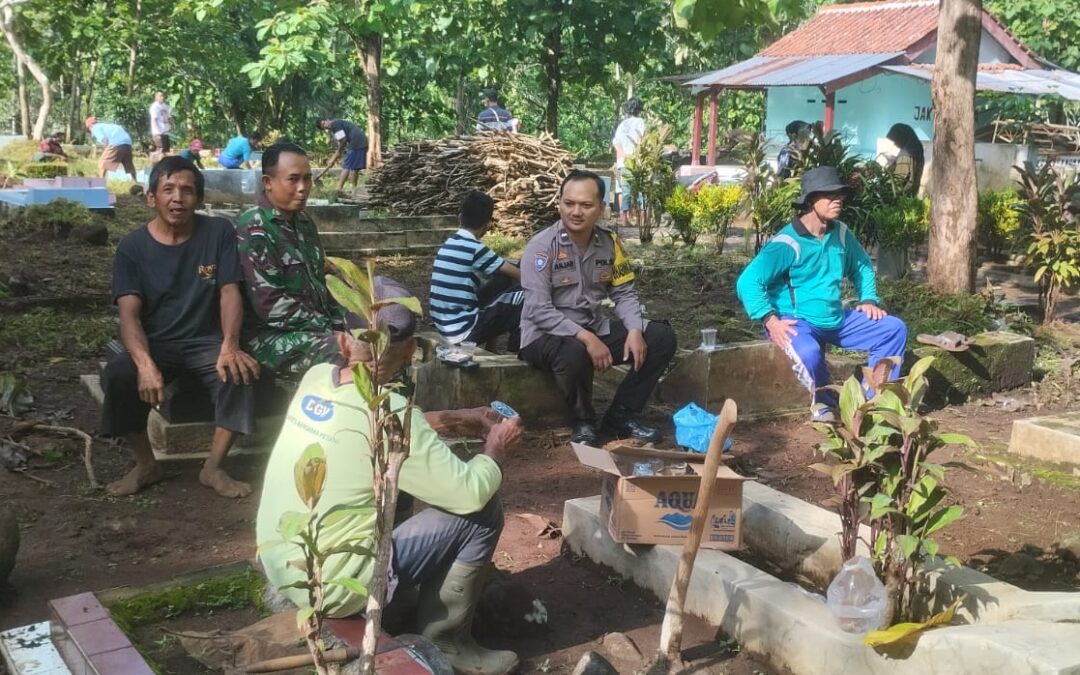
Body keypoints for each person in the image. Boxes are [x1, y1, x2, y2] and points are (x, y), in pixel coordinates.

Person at [256, 278, 521, 675]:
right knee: (483, 510)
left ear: (343, 343)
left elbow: (362, 427)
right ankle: (448, 641)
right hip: (338, 585)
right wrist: (496, 446)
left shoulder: (314, 380)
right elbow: (469, 493)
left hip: (284, 564)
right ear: (412, 350)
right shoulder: (394, 413)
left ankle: (402, 600)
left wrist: (447, 420)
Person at [99, 156, 259, 498]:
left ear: (199, 199)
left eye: (187, 190)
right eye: (168, 189)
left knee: (238, 372)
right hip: (158, 343)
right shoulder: (132, 248)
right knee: (118, 375)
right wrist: (144, 365)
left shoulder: (218, 233)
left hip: (207, 341)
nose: (178, 198)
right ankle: (146, 464)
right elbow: (128, 316)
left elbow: (230, 292)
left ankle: (213, 467)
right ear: (150, 197)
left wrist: (229, 345)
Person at [736, 166, 908, 420]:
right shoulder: (787, 243)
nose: (838, 200)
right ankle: (823, 402)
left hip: (835, 319)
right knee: (810, 353)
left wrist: (869, 299)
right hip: (797, 322)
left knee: (894, 329)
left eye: (840, 195)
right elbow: (747, 282)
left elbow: (861, 266)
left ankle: (872, 400)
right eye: (829, 195)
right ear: (811, 200)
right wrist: (770, 321)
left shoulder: (840, 233)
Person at [519, 170, 677, 445]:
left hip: (592, 326)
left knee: (661, 337)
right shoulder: (542, 247)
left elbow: (624, 292)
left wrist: (635, 330)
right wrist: (586, 337)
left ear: (601, 208)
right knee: (574, 350)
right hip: (543, 336)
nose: (576, 211)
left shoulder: (609, 243)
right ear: (559, 204)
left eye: (586, 205)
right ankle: (583, 421)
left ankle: (622, 415)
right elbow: (537, 310)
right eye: (569, 203)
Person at [236, 142, 347, 375]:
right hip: (270, 336)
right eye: (293, 179)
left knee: (380, 339)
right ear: (268, 182)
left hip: (314, 327)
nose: (303, 187)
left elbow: (322, 282)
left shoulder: (304, 222)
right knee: (341, 352)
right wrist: (330, 330)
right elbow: (270, 304)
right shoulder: (255, 227)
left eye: (307, 179)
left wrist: (344, 322)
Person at [430, 191, 523, 351]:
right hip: (462, 330)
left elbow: (502, 271)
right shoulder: (475, 249)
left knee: (502, 281)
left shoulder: (450, 243)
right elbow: (520, 275)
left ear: (460, 217)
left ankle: (491, 349)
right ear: (487, 225)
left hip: (445, 326)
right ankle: (516, 353)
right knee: (524, 296)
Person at [612, 97, 646, 227]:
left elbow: (615, 143)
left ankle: (624, 219)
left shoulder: (622, 124)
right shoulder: (640, 122)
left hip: (623, 163)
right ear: (639, 109)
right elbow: (643, 140)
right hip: (637, 163)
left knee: (625, 191)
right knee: (640, 191)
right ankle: (641, 220)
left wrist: (623, 155)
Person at [314, 118, 369, 194]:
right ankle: (354, 190)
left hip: (356, 141)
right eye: (324, 127)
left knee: (346, 166)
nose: (326, 126)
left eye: (324, 124)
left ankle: (339, 189)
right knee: (354, 168)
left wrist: (337, 152)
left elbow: (343, 140)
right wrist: (338, 153)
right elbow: (343, 142)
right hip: (362, 140)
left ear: (327, 120)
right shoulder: (337, 124)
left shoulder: (335, 124)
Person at [85, 116, 138, 181]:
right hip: (128, 143)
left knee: (102, 163)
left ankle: (100, 184)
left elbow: (104, 140)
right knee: (129, 165)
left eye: (88, 130)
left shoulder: (95, 128)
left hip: (116, 142)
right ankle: (135, 181)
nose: (90, 132)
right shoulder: (106, 126)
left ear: (90, 126)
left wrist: (105, 150)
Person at [885, 122, 925, 195]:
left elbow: (900, 182)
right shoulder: (915, 150)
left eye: (896, 140)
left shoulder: (906, 155)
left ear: (901, 137)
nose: (895, 144)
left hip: (901, 199)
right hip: (910, 197)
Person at [149, 91, 173, 157]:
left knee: (166, 150)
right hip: (158, 133)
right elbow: (154, 120)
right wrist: (157, 132)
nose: (163, 97)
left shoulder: (165, 106)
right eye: (161, 96)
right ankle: (157, 165)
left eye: (163, 96)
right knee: (160, 150)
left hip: (165, 132)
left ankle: (166, 165)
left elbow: (169, 117)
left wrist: (172, 124)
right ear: (156, 97)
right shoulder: (154, 107)